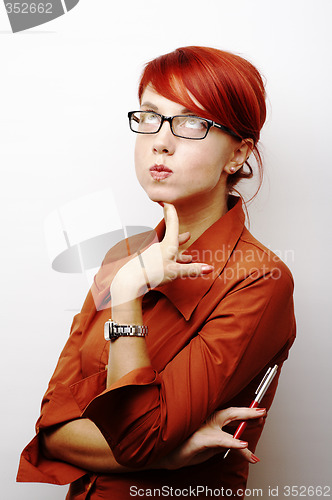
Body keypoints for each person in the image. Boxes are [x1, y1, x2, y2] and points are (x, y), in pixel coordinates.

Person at [17, 46, 296, 499]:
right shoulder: (122, 254)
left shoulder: (260, 280)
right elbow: (52, 429)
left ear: (237, 154)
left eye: (191, 123)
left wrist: (127, 296)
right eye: (149, 116)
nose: (160, 141)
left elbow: (137, 437)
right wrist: (164, 455)